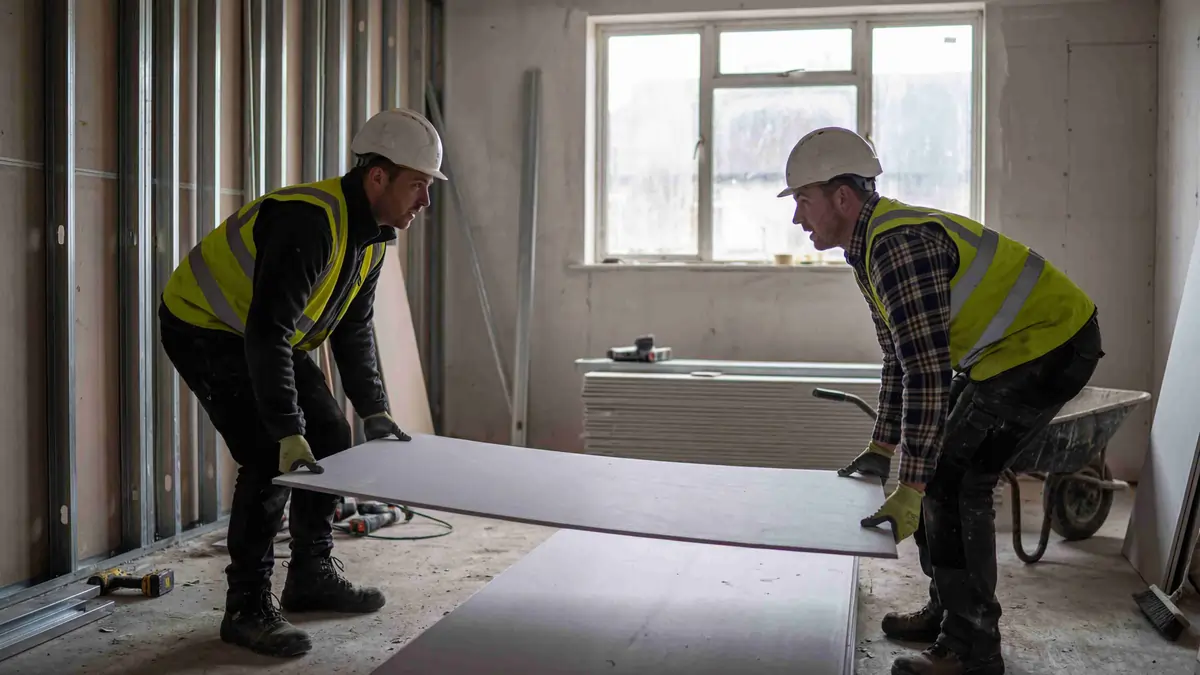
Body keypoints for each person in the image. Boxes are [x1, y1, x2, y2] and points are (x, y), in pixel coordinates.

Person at [777, 127, 1103, 675]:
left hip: (1050, 345)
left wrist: (912, 482)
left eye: (803, 202)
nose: (796, 219)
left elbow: (926, 370)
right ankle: (949, 611)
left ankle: (973, 649)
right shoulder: (871, 247)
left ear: (841, 197)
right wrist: (883, 446)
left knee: (951, 479)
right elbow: (898, 359)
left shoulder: (896, 247)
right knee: (935, 472)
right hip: (1008, 352)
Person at [157, 108, 446, 657]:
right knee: (270, 455)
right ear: (378, 177)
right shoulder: (309, 221)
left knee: (334, 438)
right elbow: (266, 333)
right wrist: (287, 430)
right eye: (417, 186)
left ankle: (310, 574)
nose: (424, 203)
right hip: (205, 326)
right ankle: (246, 608)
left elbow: (353, 328)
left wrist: (375, 410)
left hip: (262, 334)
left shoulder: (374, 236)